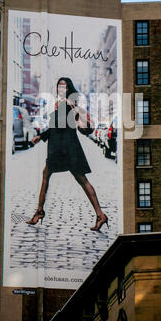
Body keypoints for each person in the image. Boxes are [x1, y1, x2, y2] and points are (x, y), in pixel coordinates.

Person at [26, 77, 109, 232]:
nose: (61, 89)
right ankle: (40, 211)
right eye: (59, 86)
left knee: (81, 181)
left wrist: (77, 111)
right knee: (48, 175)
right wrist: (40, 137)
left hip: (65, 150)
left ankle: (100, 214)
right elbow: (55, 128)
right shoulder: (61, 105)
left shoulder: (70, 105)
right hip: (61, 149)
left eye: (64, 86)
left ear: (69, 88)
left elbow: (81, 127)